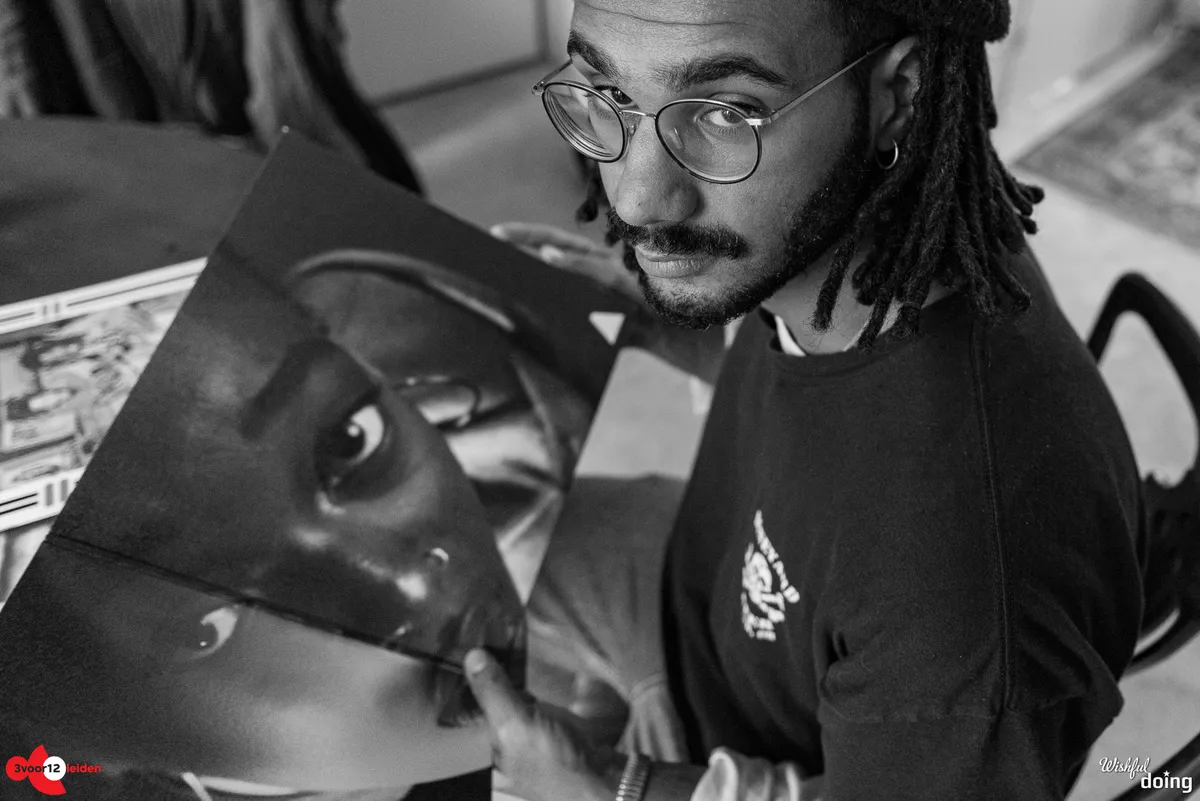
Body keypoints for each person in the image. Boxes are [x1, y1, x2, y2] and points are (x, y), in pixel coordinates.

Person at [464, 0, 1150, 799]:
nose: (637, 199)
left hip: (710, 744)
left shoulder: (963, 599)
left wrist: (609, 786)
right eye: (610, 93)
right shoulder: (876, 241)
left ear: (902, 93)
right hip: (699, 602)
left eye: (726, 113)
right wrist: (684, 316)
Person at [0, 251, 567, 799]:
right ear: (79, 750)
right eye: (210, 624)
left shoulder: (531, 422)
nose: (411, 585)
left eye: (349, 441)